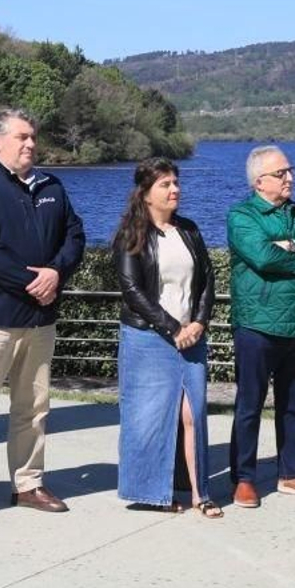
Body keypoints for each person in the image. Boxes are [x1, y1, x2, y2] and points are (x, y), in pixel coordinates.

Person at [0, 108, 85, 527]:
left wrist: (57, 272)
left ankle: (28, 484)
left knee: (34, 408)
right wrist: (35, 281)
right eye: (22, 137)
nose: (30, 144)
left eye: (33, 137)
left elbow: (75, 234)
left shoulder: (51, 186)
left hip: (39, 321)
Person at [226, 144, 295, 508]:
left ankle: (293, 472)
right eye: (281, 173)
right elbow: (261, 254)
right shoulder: (242, 216)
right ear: (260, 182)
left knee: (294, 405)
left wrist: (290, 244)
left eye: (290, 171)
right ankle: (244, 478)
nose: (290, 178)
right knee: (249, 405)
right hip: (257, 325)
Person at [111, 158, 221, 516]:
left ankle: (200, 494)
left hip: (192, 337)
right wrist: (172, 328)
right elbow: (132, 290)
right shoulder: (131, 234)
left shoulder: (188, 229)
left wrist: (199, 323)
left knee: (193, 414)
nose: (175, 190)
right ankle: (151, 492)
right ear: (145, 194)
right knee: (148, 416)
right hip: (148, 339)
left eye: (176, 182)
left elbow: (207, 279)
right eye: (165, 185)